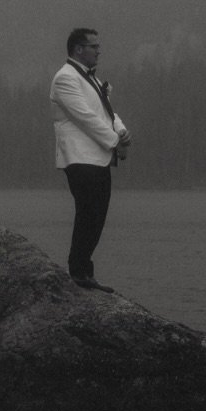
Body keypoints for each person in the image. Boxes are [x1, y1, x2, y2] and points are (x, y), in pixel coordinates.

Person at [50, 27, 131, 292]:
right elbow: (85, 117)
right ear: (77, 50)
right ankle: (78, 270)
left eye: (98, 46)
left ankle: (85, 269)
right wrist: (114, 142)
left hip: (98, 157)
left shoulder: (91, 79)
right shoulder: (65, 78)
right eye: (94, 46)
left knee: (97, 215)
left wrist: (120, 130)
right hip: (80, 157)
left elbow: (106, 111)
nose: (99, 50)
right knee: (88, 213)